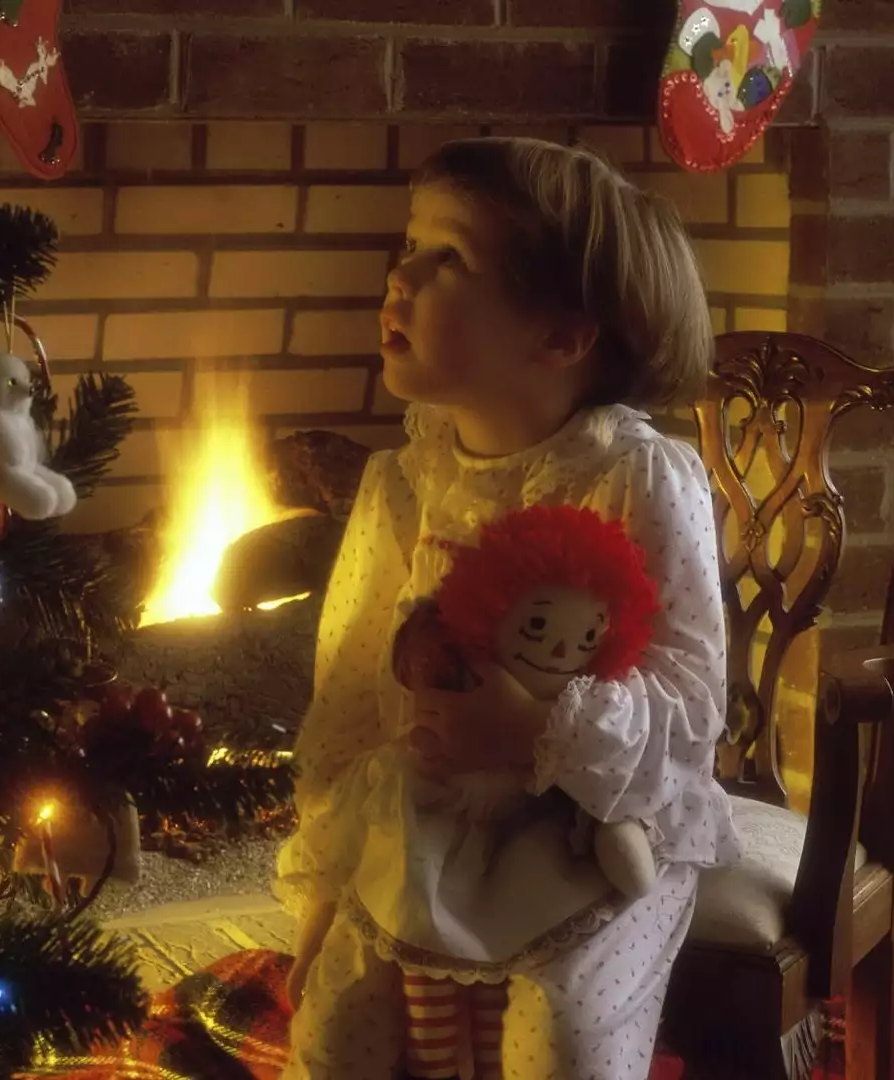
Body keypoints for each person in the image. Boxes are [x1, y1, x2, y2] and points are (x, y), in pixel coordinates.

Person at [275, 136, 741, 1080]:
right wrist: (329, 878)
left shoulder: (639, 475)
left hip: (593, 828)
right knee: (335, 1032)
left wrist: (536, 729)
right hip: (423, 813)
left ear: (562, 337)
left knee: (561, 1037)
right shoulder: (400, 484)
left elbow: (691, 703)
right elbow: (349, 698)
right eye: (410, 246)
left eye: (447, 256)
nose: (400, 275)